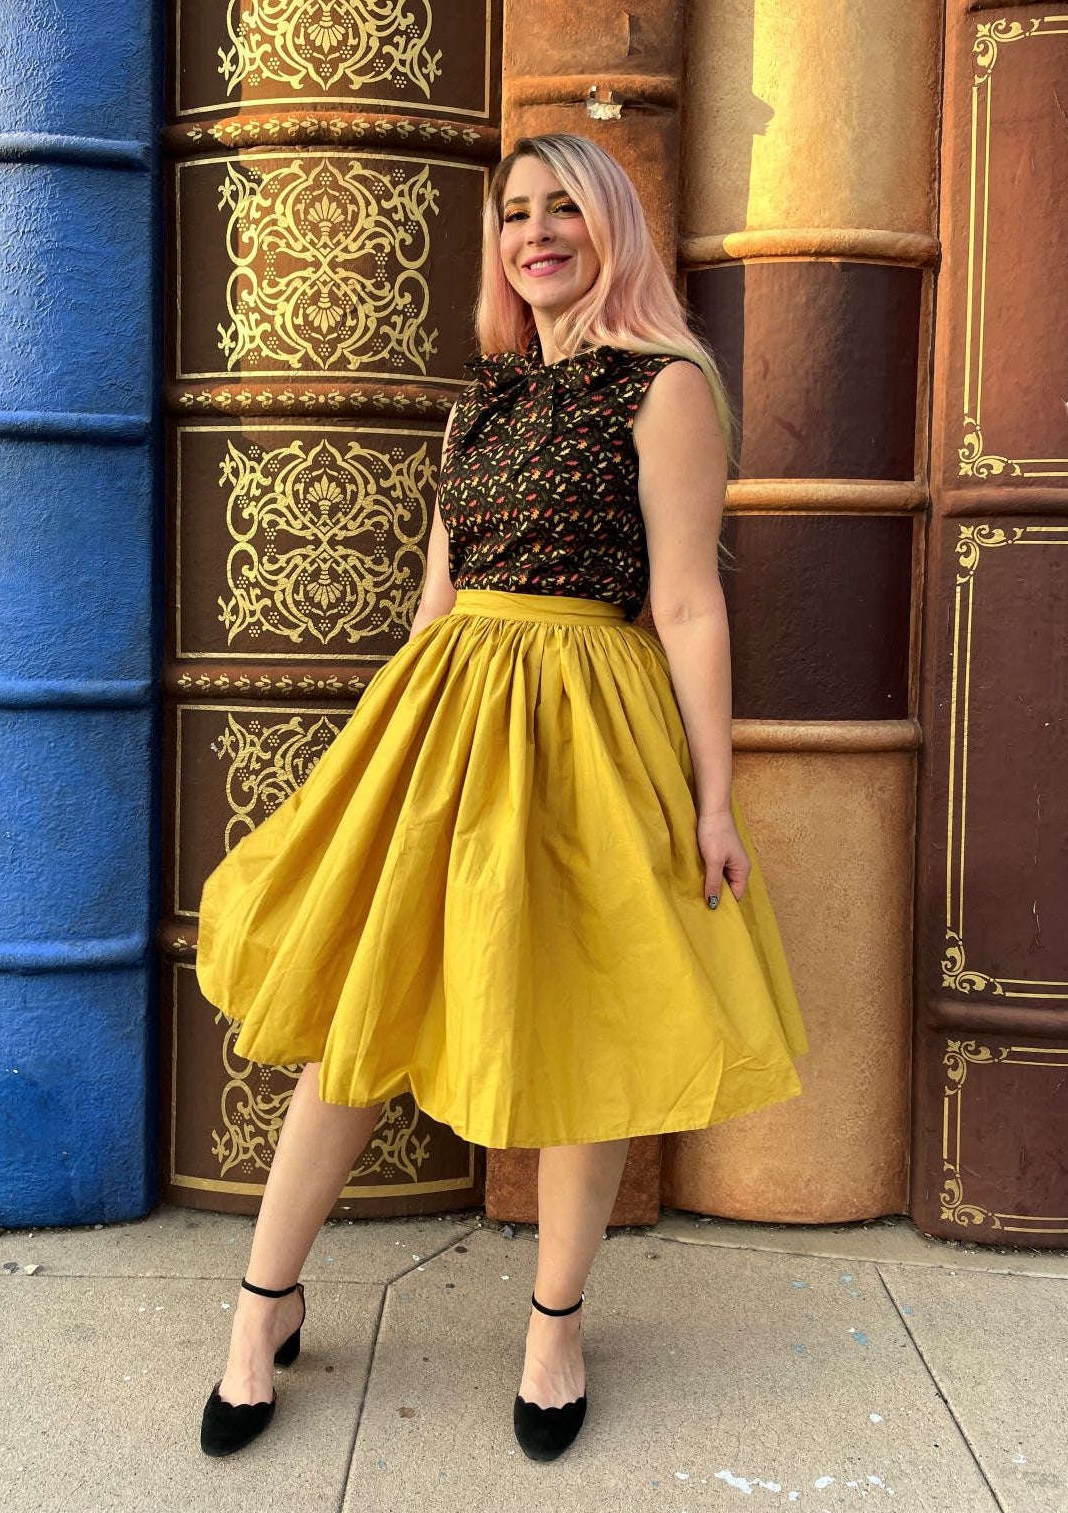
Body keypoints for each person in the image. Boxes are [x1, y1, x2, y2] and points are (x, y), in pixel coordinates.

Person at [194, 132, 808, 1463]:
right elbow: (432, 604)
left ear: (611, 230)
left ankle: (554, 1323)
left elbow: (689, 601)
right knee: (354, 1021)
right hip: (449, 721)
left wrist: (713, 798)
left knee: (586, 1028)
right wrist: (374, 764)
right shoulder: (476, 404)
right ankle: (262, 1304)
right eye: (516, 214)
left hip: (592, 725)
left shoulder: (667, 388)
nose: (535, 233)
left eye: (562, 210)